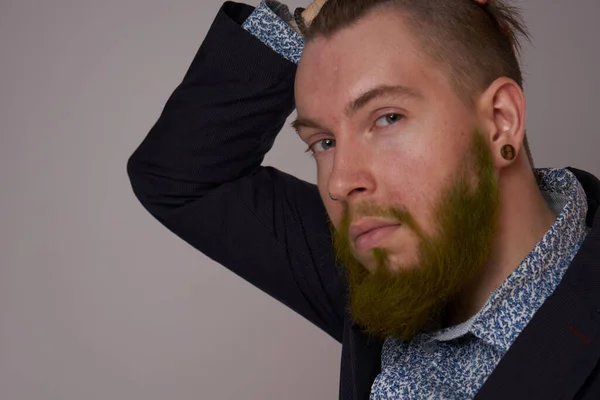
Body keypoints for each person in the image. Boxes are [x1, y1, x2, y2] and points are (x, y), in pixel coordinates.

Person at [127, 0, 600, 398]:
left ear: (500, 121)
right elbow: (182, 176)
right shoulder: (381, 267)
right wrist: (310, 17)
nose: (339, 183)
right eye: (323, 143)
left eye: (387, 118)